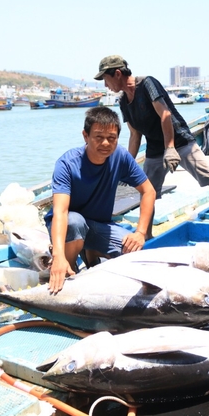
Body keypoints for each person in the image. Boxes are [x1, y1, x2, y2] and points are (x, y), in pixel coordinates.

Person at [94, 55, 209, 233]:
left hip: (180, 141)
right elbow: (134, 135)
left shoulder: (147, 84)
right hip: (154, 149)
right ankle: (146, 235)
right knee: (148, 193)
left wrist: (170, 148)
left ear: (117, 73)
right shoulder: (123, 102)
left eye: (105, 79)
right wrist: (128, 163)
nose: (106, 85)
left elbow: (165, 115)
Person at [45, 106, 155, 294]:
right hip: (67, 225)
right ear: (85, 136)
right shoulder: (67, 164)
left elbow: (148, 191)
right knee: (75, 222)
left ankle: (92, 251)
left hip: (100, 226)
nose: (105, 143)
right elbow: (61, 212)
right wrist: (58, 255)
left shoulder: (120, 156)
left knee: (137, 256)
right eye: (98, 137)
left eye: (111, 138)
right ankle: (65, 271)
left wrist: (140, 232)